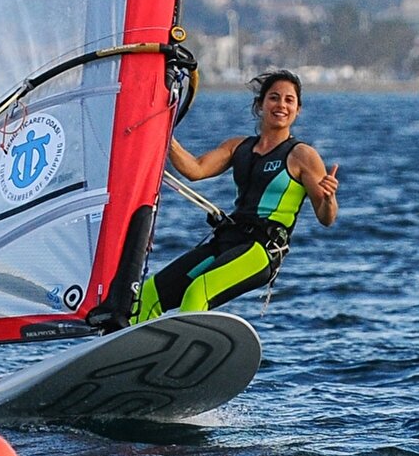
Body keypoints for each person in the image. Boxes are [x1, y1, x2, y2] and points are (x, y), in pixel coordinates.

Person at [130, 69, 339, 322]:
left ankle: (186, 356)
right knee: (148, 294)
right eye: (274, 98)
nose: (281, 105)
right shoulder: (238, 147)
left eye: (289, 100)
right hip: (226, 240)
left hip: (260, 250)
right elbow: (195, 169)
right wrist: (162, 133)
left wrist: (328, 199)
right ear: (260, 105)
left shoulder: (303, 155)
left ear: (298, 109)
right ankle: (125, 352)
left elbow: (326, 218)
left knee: (198, 292)